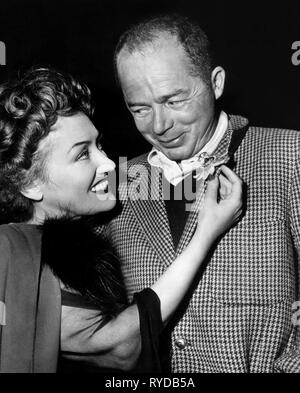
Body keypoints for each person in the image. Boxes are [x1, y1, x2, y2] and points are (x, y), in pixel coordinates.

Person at [0, 67, 242, 372]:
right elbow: (119, 346)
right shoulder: (11, 252)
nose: (108, 163)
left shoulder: (83, 242)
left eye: (98, 145)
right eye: (82, 155)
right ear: (29, 184)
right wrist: (206, 233)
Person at [100, 13, 300, 373]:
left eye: (174, 100)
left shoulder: (289, 155)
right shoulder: (116, 184)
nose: (159, 125)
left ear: (216, 83)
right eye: (140, 108)